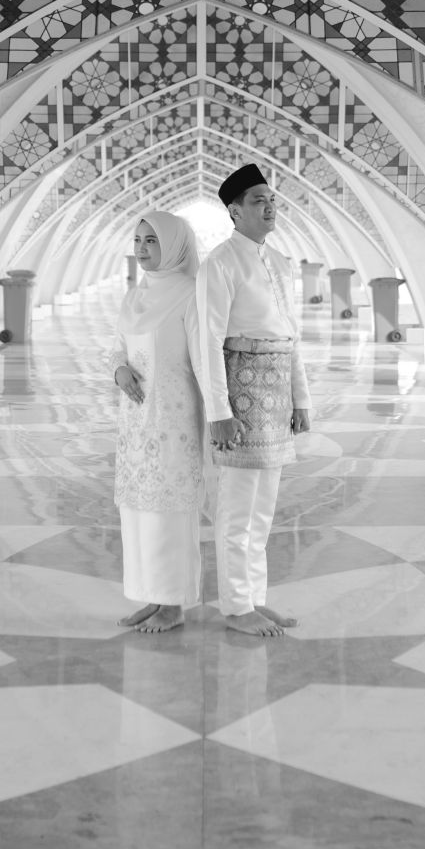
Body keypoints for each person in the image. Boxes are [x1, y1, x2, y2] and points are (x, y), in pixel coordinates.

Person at [197, 163, 311, 637]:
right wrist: (219, 412)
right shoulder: (220, 263)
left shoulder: (280, 262)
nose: (270, 208)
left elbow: (291, 336)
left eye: (273, 200)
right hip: (241, 393)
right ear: (235, 211)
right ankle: (236, 606)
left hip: (276, 393)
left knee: (263, 509)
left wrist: (300, 399)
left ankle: (255, 599)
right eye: (259, 201)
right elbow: (207, 340)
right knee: (236, 509)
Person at [109, 210, 205, 633]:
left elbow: (204, 358)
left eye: (152, 241)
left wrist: (218, 415)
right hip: (134, 423)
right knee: (138, 510)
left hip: (173, 420)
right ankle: (151, 594)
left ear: (174, 246)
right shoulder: (134, 296)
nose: (142, 249)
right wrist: (118, 370)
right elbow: (117, 346)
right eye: (138, 240)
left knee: (169, 512)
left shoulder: (191, 294)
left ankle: (173, 603)